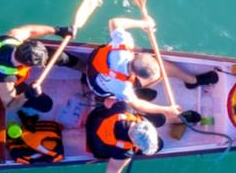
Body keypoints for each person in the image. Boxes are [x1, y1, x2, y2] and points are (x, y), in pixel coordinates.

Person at [83, 16, 213, 121]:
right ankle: (192, 81)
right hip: (100, 87)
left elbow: (114, 22)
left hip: (94, 65)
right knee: (163, 69)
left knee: (161, 67)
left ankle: (192, 81)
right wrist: (165, 110)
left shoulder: (124, 44)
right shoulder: (123, 88)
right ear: (138, 76)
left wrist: (144, 23)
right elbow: (137, 104)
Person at [84, 98, 162, 173]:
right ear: (135, 144)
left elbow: (107, 102)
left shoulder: (124, 108)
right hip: (94, 145)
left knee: (160, 120)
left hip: (93, 119)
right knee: (160, 145)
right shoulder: (124, 153)